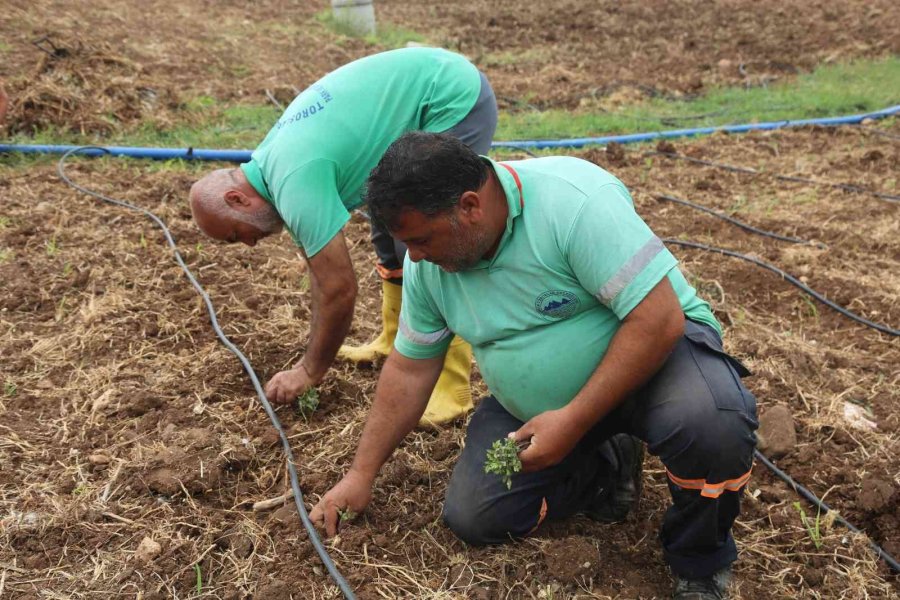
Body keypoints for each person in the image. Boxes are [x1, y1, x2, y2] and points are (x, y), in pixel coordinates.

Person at [310, 132, 759, 600]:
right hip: (542, 406)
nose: (414, 257)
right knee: (476, 516)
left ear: (469, 206)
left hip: (656, 358)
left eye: (421, 239)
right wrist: (360, 474)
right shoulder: (430, 269)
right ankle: (607, 465)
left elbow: (657, 319)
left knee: (712, 422)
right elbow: (409, 370)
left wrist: (575, 420)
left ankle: (700, 561)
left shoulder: (573, 203)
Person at [189, 48, 498, 426]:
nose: (250, 243)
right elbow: (324, 277)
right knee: (390, 226)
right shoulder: (274, 166)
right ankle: (393, 337)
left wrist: (308, 371)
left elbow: (337, 288)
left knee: (429, 239)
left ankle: (451, 387)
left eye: (237, 234)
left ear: (236, 198)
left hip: (451, 98)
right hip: (421, 91)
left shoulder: (292, 178)